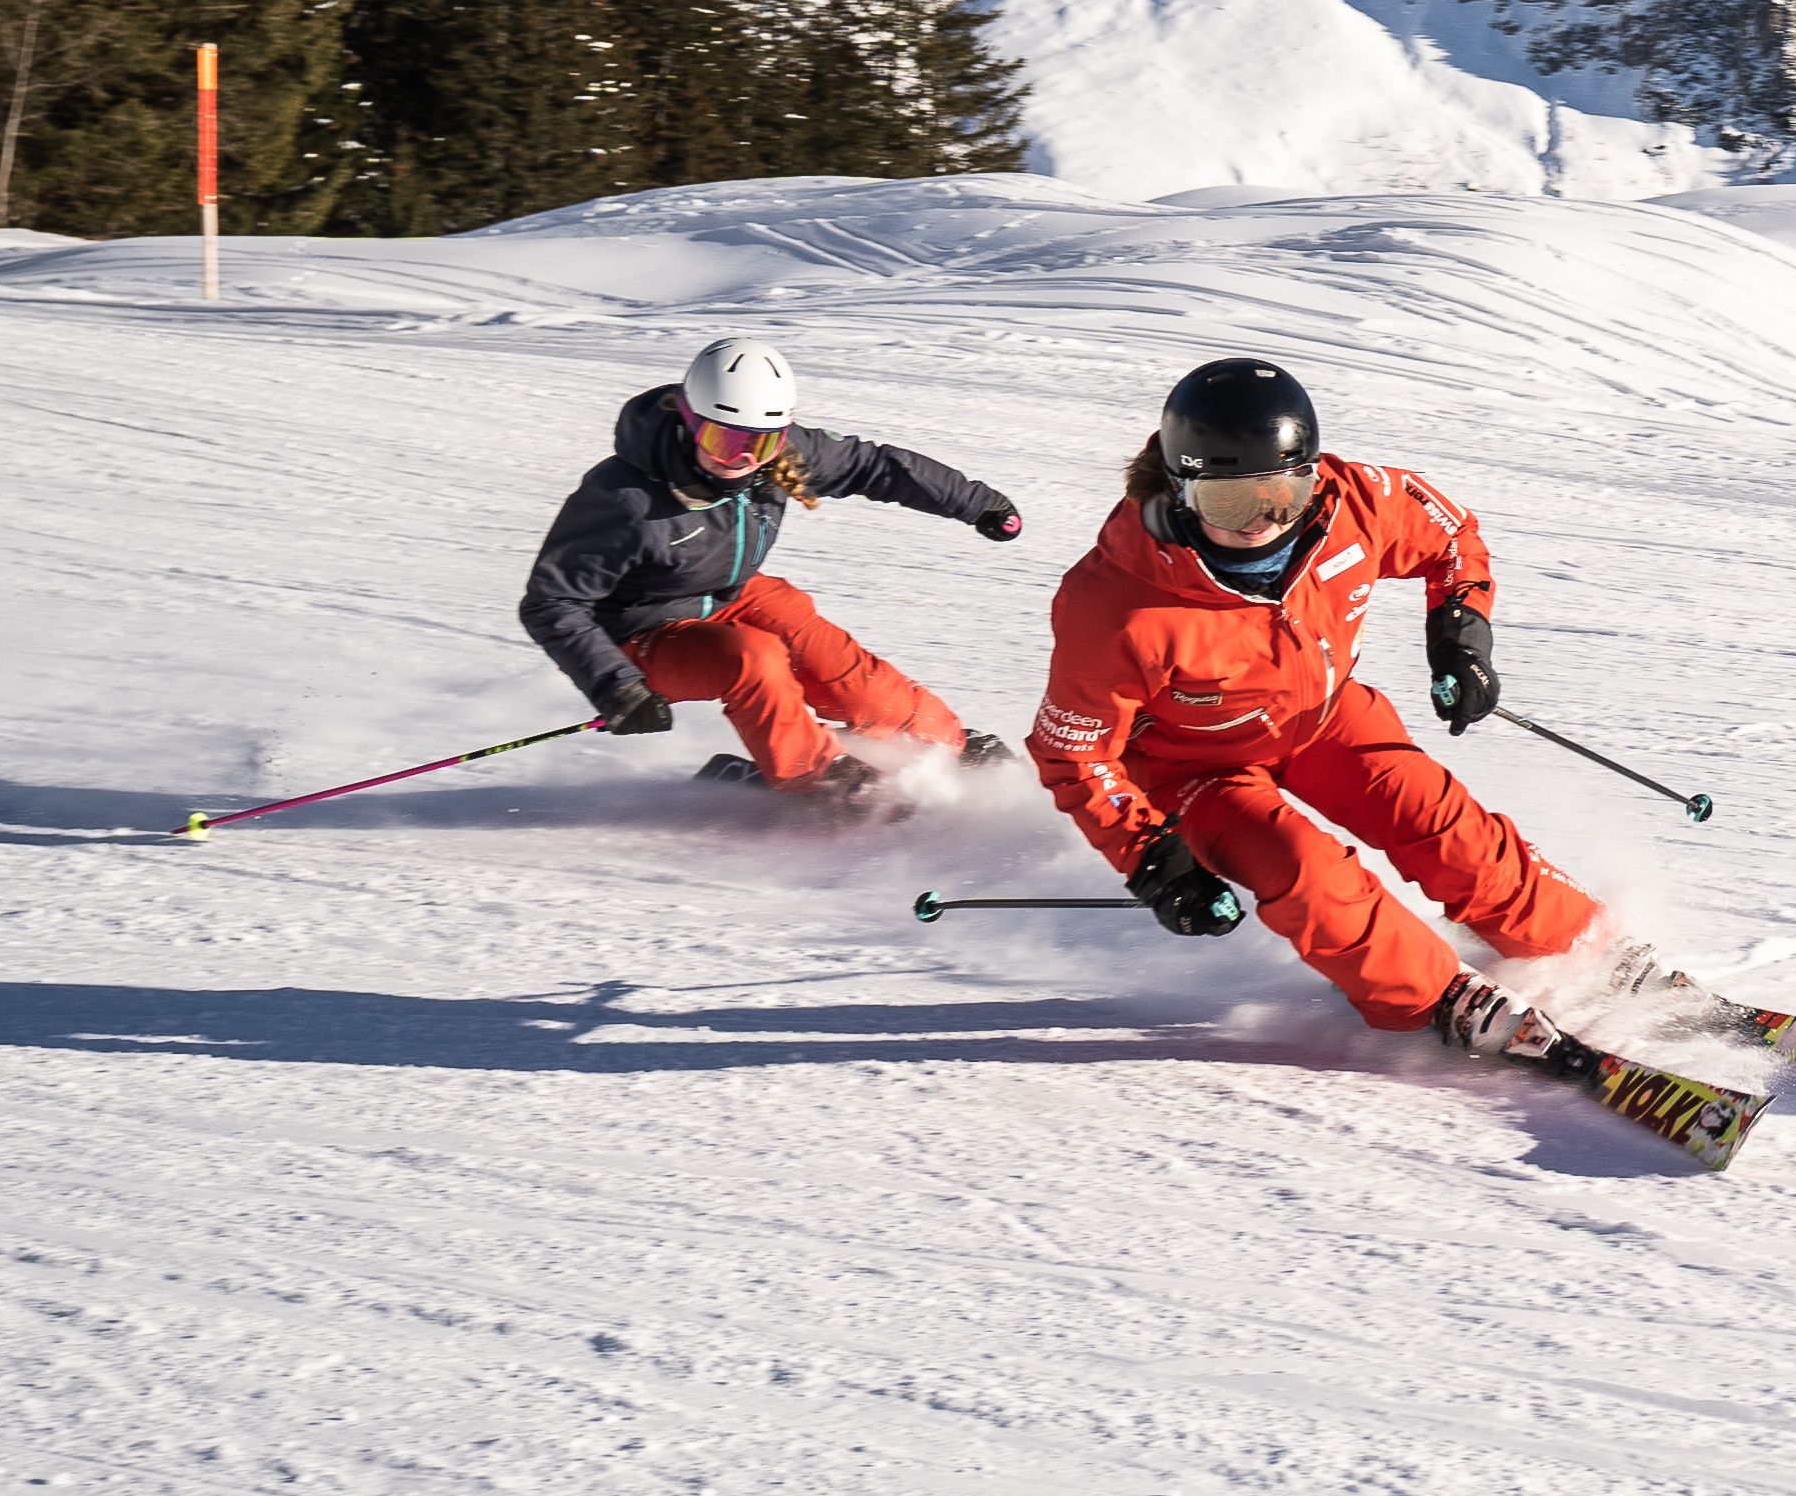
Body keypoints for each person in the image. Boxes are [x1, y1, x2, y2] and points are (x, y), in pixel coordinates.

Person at [1027, 351, 1714, 1079]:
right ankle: (1438, 997)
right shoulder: (1115, 607)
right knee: (1304, 869)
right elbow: (1072, 753)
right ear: (1179, 492)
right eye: (1231, 503)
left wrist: (1460, 636)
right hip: (1191, 765)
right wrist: (1152, 861)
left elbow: (1451, 537)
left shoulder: (1351, 502)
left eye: (1284, 495)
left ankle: (1580, 944)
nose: (1264, 521)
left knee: (1438, 820)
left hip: (1324, 715)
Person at [520, 330, 1030, 800]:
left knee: (845, 672)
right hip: (638, 635)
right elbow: (553, 602)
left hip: (728, 592)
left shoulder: (779, 459)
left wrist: (976, 503)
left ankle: (948, 745)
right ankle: (818, 779)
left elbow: (873, 466)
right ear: (691, 421)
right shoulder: (624, 500)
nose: (741, 459)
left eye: (759, 444)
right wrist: (615, 686)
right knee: (752, 657)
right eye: (725, 441)